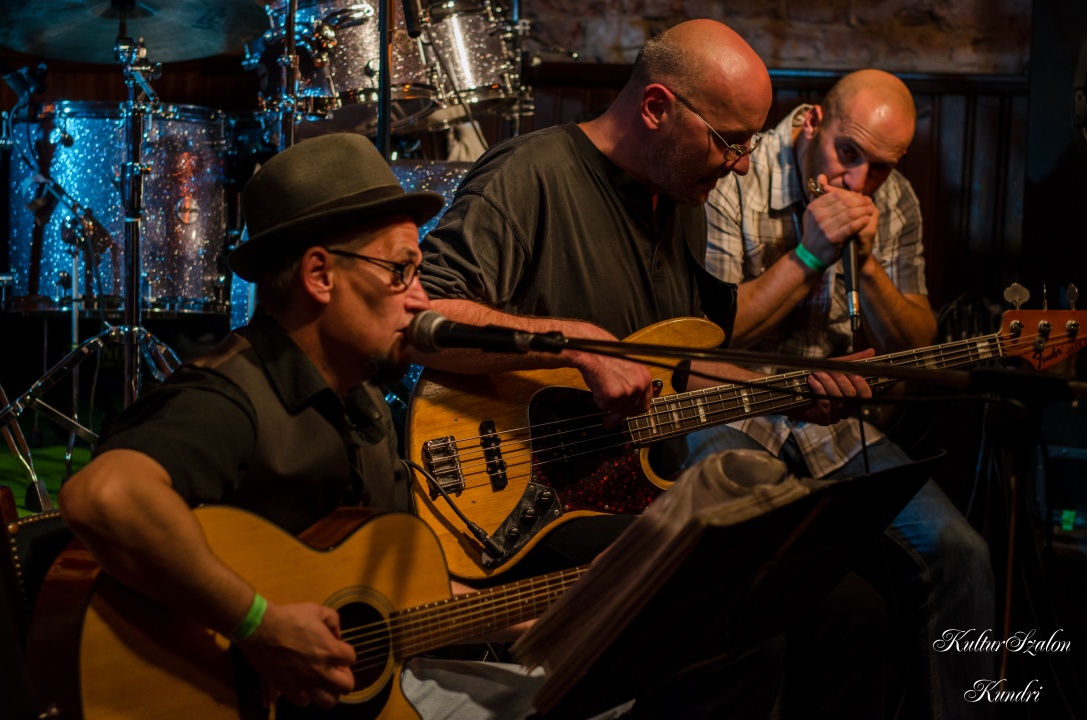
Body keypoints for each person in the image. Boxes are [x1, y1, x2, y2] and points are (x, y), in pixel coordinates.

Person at [419, 19, 891, 720]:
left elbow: (677, 362)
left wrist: (786, 393)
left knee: (853, 610)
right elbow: (425, 315)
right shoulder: (530, 174)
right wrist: (576, 345)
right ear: (655, 107)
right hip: (525, 505)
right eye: (729, 141)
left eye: (749, 144)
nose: (740, 165)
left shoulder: (676, 195)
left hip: (631, 494)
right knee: (731, 627)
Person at [56, 133, 620, 719]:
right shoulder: (229, 396)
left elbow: (392, 605)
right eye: (401, 271)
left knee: (592, 698)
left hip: (365, 695)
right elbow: (105, 496)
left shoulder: (365, 403)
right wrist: (259, 625)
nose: (420, 300)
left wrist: (560, 607)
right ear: (319, 275)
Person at [692, 68, 995, 719]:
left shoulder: (894, 197)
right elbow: (708, 340)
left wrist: (869, 263)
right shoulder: (733, 176)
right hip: (733, 408)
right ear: (811, 124)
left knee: (959, 550)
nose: (859, 179)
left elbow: (914, 343)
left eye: (880, 167)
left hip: (832, 425)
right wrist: (808, 256)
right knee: (750, 549)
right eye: (847, 153)